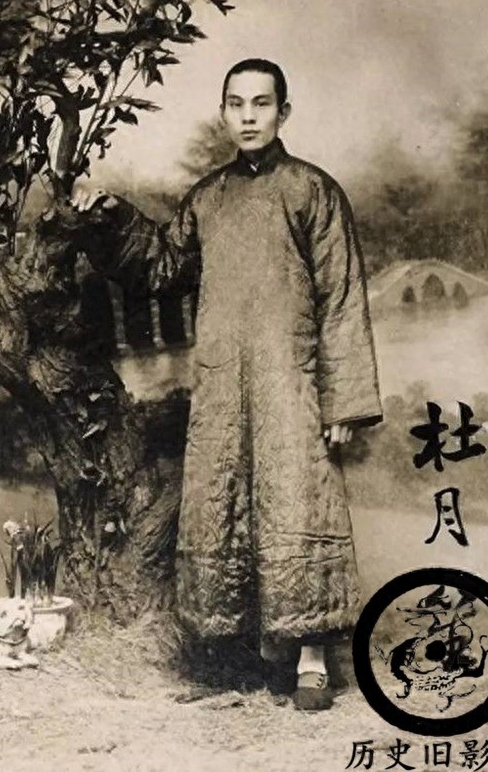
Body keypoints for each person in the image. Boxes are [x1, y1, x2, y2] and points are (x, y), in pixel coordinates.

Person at [71, 58, 382, 709]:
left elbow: (342, 298)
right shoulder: (207, 198)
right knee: (230, 503)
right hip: (222, 385)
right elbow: (160, 269)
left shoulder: (313, 191)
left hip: (292, 382)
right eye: (236, 103)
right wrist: (109, 216)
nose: (248, 116)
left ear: (283, 112)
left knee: (299, 505)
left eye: (261, 103)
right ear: (223, 112)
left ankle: (313, 660)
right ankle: (255, 652)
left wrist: (343, 401)